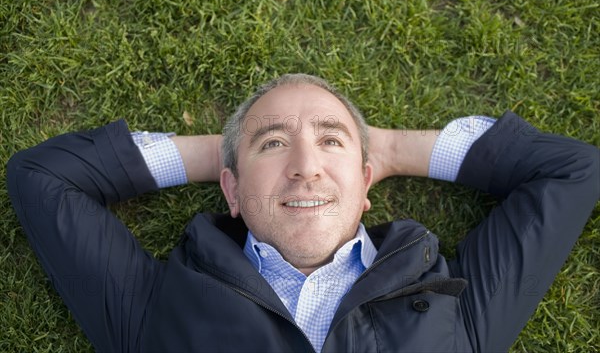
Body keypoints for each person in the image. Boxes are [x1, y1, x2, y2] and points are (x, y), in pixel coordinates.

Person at [7, 73, 599, 352]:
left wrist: (388, 148)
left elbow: (574, 171)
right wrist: (220, 155)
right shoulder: (157, 309)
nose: (305, 166)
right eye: (272, 144)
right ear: (230, 192)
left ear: (367, 183)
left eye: (332, 141)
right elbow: (43, 177)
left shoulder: (454, 302)